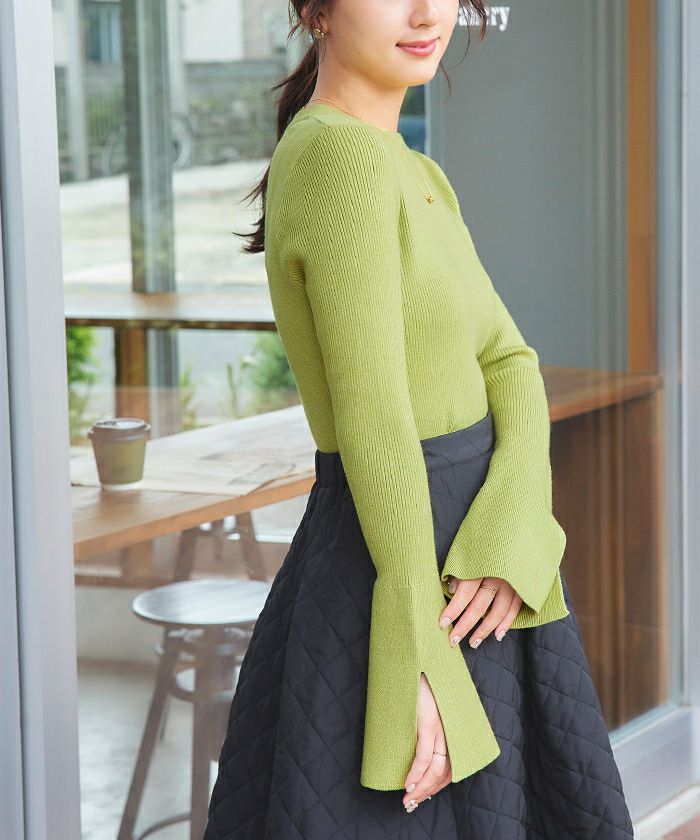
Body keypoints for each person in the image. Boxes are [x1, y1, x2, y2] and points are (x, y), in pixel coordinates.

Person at [204, 1, 635, 837]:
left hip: (475, 571)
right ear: (316, 12)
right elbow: (377, 424)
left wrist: (512, 529)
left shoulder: (415, 168)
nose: (425, 12)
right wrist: (416, 662)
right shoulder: (334, 157)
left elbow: (511, 361)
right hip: (401, 570)